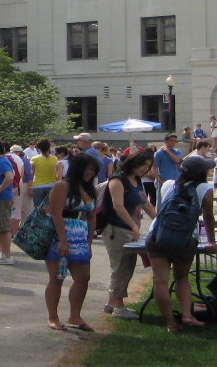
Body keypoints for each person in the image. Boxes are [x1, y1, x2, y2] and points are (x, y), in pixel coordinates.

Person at [146, 156, 217, 333]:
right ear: (203, 173)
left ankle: (171, 323)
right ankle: (187, 314)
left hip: (157, 235)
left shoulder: (168, 184)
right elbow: (208, 217)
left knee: (161, 281)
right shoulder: (205, 189)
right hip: (185, 238)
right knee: (181, 277)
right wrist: (211, 240)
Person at [44, 153, 101, 331]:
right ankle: (53, 317)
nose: (91, 173)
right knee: (57, 278)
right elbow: (56, 213)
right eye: (89, 168)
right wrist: (62, 240)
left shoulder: (88, 189)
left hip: (80, 237)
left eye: (93, 170)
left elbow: (92, 217)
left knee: (83, 278)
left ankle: (75, 315)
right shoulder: (62, 186)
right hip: (60, 236)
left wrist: (89, 241)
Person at [102, 149, 157, 320]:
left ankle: (112, 302)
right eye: (143, 165)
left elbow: (145, 202)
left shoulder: (137, 180)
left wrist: (160, 220)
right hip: (115, 228)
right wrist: (133, 226)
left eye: (148, 166)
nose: (144, 169)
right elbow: (118, 206)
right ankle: (119, 308)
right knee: (120, 267)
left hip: (130, 229)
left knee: (128, 265)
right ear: (134, 162)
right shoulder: (118, 180)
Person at [153, 134, 183, 205]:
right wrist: (159, 180)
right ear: (166, 141)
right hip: (163, 180)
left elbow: (177, 160)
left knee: (175, 200)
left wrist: (167, 151)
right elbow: (154, 168)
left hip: (175, 179)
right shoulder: (159, 153)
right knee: (160, 201)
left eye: (175, 141)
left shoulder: (177, 152)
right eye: (171, 141)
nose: (173, 143)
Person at [31, 139, 58, 209]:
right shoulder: (55, 159)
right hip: (51, 184)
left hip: (37, 185)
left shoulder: (34, 159)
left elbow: (32, 173)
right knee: (49, 209)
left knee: (37, 208)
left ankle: (38, 220)